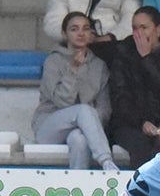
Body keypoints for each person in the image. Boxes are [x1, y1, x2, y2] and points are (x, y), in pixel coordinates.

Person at [32, 11, 117, 172]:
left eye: (85, 29)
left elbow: (105, 109)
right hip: (49, 126)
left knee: (80, 140)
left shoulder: (99, 65)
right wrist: (73, 70)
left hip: (82, 129)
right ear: (65, 34)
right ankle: (106, 161)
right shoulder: (53, 61)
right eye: (74, 29)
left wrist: (87, 123)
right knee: (83, 110)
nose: (80, 33)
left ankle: (77, 187)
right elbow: (61, 102)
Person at [107, 6, 160, 166]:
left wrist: (147, 59)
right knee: (140, 146)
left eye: (144, 27)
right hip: (130, 123)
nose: (139, 33)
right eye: (134, 28)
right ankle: (139, 190)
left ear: (159, 29)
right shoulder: (124, 53)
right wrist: (141, 122)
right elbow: (120, 96)